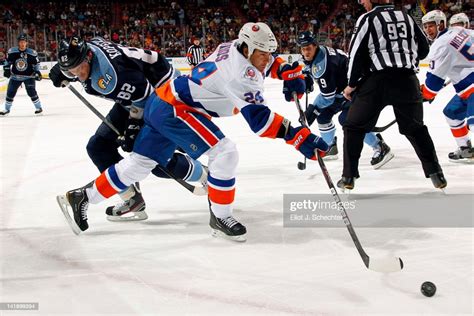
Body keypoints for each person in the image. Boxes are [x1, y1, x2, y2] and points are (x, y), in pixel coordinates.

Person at [56, 22, 327, 241]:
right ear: (246, 48)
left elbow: (267, 61)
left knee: (139, 165)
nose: (266, 58)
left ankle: (82, 196)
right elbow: (260, 121)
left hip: (162, 101)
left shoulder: (238, 47)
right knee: (225, 153)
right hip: (177, 109)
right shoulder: (241, 74)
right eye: (262, 53)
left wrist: (289, 71)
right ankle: (220, 215)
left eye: (269, 52)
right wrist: (298, 136)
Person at [50, 36, 207, 222]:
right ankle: (132, 200)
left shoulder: (110, 77)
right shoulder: (87, 51)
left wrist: (133, 129)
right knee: (98, 147)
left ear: (89, 57)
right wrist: (63, 69)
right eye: (72, 70)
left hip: (165, 96)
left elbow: (143, 95)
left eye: (79, 68)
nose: (78, 74)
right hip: (134, 96)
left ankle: (206, 176)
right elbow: (133, 91)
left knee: (155, 161)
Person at [339, 0, 446, 190]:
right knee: (415, 129)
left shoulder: (368, 18)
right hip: (407, 81)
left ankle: (348, 177)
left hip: (376, 82)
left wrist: (351, 84)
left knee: (353, 126)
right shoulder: (407, 17)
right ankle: (435, 173)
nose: (361, 2)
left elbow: (355, 53)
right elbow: (424, 50)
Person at [297, 30, 394, 168]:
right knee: (323, 116)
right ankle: (330, 146)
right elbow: (309, 68)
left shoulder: (323, 66)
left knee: (349, 120)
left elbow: (327, 98)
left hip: (357, 91)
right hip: (341, 92)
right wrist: (306, 78)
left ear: (315, 45)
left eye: (308, 48)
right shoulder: (318, 53)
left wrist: (313, 109)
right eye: (303, 48)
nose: (305, 52)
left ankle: (380, 146)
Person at [421, 10, 473, 163]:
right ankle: (466, 149)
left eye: (431, 26)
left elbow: (433, 83)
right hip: (467, 90)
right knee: (452, 113)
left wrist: (425, 93)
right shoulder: (463, 31)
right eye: (425, 27)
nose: (428, 30)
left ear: (441, 24)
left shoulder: (440, 44)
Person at [0, 33, 43, 115]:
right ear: (18, 42)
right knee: (10, 92)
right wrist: (6, 69)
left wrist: (37, 72)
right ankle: (6, 109)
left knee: (31, 92)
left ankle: (38, 108)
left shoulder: (32, 53)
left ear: (26, 42)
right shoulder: (12, 51)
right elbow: (7, 62)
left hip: (29, 77)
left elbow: (36, 64)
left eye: (24, 42)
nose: (22, 44)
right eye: (20, 42)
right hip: (15, 77)